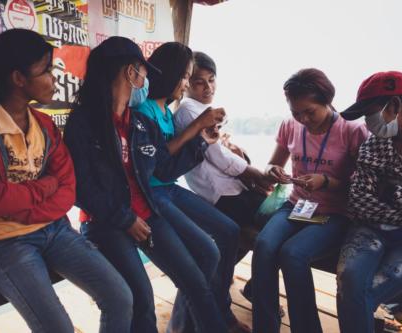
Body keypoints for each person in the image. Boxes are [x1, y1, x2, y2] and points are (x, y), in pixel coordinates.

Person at [0, 29, 133, 333]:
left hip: (56, 230)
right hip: (8, 244)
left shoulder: (44, 125)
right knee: (58, 328)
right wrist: (45, 187)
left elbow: (68, 189)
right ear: (19, 78)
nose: (54, 78)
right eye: (46, 70)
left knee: (120, 297)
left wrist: (24, 204)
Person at [64, 36, 228, 333]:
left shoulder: (138, 122)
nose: (147, 77)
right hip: (107, 223)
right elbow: (81, 187)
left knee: (195, 280)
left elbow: (163, 167)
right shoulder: (84, 122)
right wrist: (125, 219)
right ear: (131, 72)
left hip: (147, 216)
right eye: (143, 70)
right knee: (142, 300)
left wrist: (201, 141)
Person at [134, 42, 245, 333]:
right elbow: (158, 164)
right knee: (204, 257)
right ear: (171, 74)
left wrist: (201, 139)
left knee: (229, 232)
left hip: (169, 187)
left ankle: (189, 321)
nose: (186, 84)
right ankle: (207, 318)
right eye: (185, 76)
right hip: (154, 194)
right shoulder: (144, 110)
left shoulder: (167, 113)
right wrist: (197, 127)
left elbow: (173, 165)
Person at [251, 68, 369, 333]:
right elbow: (273, 163)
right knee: (263, 245)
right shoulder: (290, 125)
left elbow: (365, 186)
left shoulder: (351, 130)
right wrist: (272, 171)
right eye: (296, 112)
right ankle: (265, 326)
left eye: (310, 111)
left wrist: (326, 182)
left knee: (293, 254)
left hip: (335, 213)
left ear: (327, 101)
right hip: (297, 204)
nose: (303, 119)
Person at [336, 71, 402, 333]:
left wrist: (394, 194)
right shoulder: (373, 145)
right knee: (350, 281)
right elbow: (359, 202)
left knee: (358, 296)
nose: (368, 123)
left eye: (371, 112)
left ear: (396, 106)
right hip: (370, 228)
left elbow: (377, 197)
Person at [174, 51, 272, 261]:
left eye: (211, 80)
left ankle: (217, 280)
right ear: (186, 83)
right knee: (271, 222)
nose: (208, 88)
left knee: (253, 231)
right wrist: (251, 171)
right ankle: (220, 282)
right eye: (199, 82)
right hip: (220, 191)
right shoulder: (189, 111)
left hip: (228, 188)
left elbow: (220, 148)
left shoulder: (203, 108)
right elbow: (217, 156)